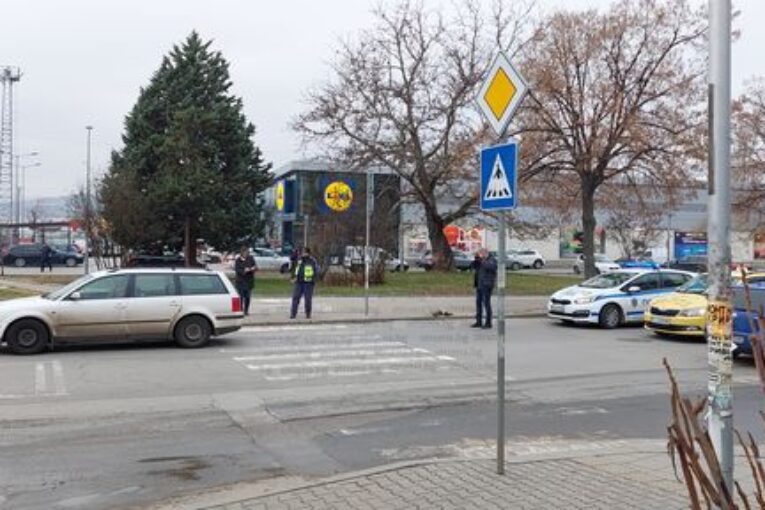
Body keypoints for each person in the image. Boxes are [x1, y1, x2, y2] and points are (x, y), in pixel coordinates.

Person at [291, 247, 319, 319]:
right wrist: (293, 277)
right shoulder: (299, 260)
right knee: (295, 298)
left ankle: (308, 314)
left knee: (307, 299)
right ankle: (293, 314)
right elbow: (294, 267)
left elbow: (316, 271)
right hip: (299, 282)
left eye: (304, 252)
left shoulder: (312, 261)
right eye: (302, 252)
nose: (302, 254)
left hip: (308, 283)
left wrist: (313, 280)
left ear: (308, 253)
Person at [472, 249, 497, 329]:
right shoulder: (481, 261)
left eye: (482, 254)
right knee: (478, 304)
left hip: (487, 285)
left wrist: (482, 260)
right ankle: (478, 321)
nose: (481, 255)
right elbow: (474, 266)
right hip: (479, 285)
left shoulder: (492, 260)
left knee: (486, 304)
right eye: (480, 254)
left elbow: (491, 267)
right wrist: (476, 259)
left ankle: (488, 322)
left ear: (486, 253)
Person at [234, 246, 257, 316]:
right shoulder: (238, 260)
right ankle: (240, 309)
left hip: (249, 281)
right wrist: (244, 270)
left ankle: (246, 310)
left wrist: (253, 268)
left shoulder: (251, 258)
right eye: (245, 252)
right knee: (241, 296)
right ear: (242, 253)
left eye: (247, 252)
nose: (246, 254)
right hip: (241, 281)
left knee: (248, 297)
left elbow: (255, 266)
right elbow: (237, 270)